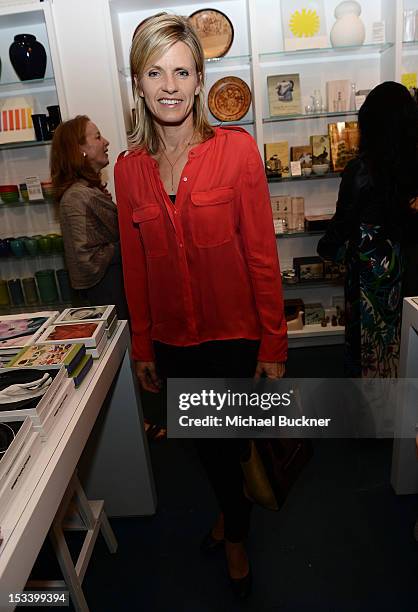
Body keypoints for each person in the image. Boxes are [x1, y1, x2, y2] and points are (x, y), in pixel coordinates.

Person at [115, 13, 287, 598]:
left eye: (181, 71)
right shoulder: (129, 171)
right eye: (155, 71)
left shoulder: (235, 153)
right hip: (172, 340)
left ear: (198, 80)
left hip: (232, 335)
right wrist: (142, 346)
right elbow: (134, 271)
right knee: (202, 443)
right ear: (137, 82)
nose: (169, 85)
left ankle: (236, 535)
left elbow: (262, 256)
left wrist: (274, 343)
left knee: (228, 442)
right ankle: (230, 512)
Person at [317, 82, 418, 378]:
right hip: (411, 280)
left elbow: (341, 229)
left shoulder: (361, 170)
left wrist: (326, 249)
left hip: (372, 283)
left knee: (369, 364)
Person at [50, 115, 129, 321]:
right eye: (97, 137)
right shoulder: (78, 196)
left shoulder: (86, 191)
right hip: (105, 294)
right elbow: (86, 260)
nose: (106, 142)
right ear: (80, 149)